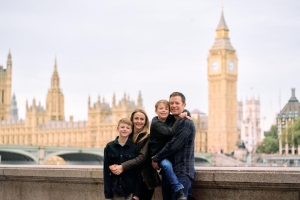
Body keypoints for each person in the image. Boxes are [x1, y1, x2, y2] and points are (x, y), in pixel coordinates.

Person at [152, 92, 196, 200]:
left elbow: (174, 146)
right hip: (168, 173)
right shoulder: (171, 121)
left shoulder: (186, 123)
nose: (174, 106)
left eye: (177, 103)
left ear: (184, 105)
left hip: (181, 172)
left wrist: (155, 158)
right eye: (171, 103)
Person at [109, 109, 161, 200]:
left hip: (144, 180)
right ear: (132, 120)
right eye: (136, 118)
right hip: (128, 180)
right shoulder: (126, 136)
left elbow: (142, 158)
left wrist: (122, 166)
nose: (139, 121)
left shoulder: (149, 137)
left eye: (142, 119)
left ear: (145, 122)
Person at [103, 118, 141, 200]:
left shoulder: (134, 148)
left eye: (127, 128)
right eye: (122, 127)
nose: (125, 129)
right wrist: (108, 194)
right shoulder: (109, 147)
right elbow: (106, 172)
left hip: (130, 190)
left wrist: (137, 193)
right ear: (118, 128)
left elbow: (137, 172)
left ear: (131, 131)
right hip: (116, 190)